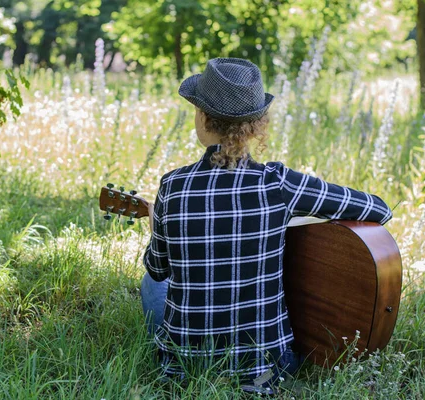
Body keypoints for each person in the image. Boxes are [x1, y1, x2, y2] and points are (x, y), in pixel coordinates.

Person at [140, 58, 393, 393]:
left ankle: (182, 357)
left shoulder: (172, 186)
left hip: (187, 370)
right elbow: (379, 209)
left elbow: (158, 268)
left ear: (201, 118)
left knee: (149, 282)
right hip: (267, 371)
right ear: (258, 125)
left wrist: (161, 223)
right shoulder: (278, 183)